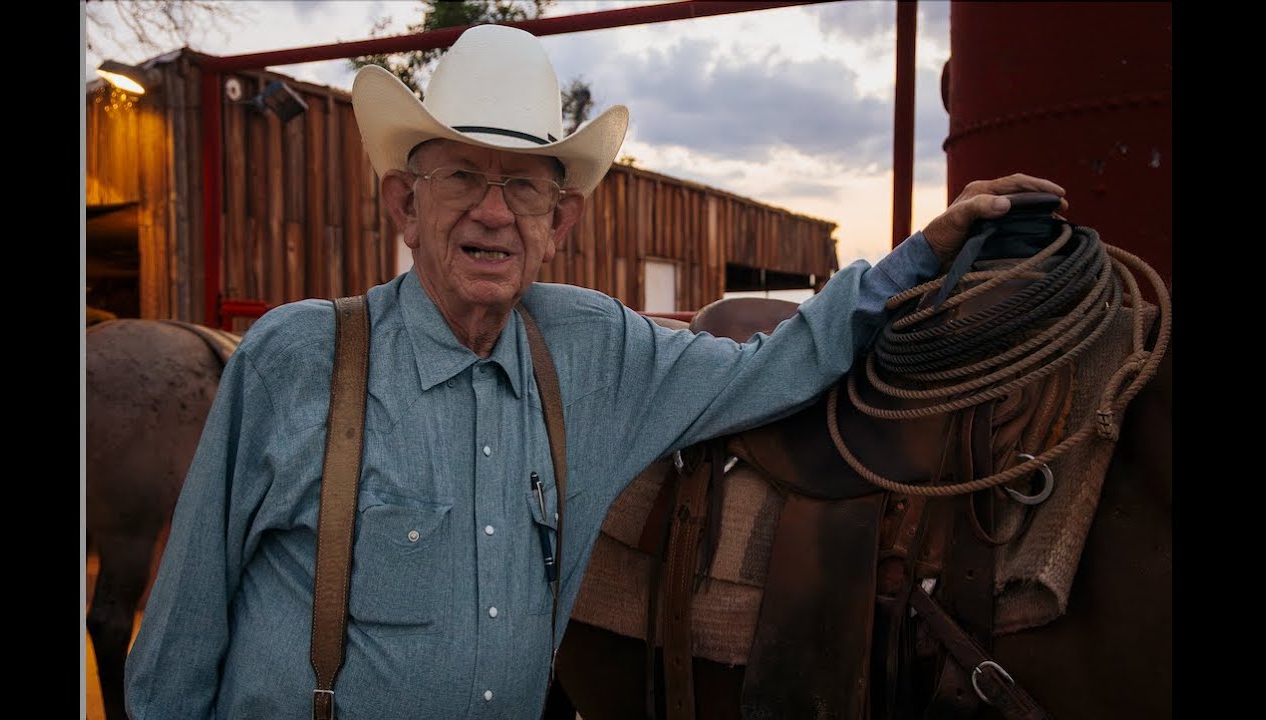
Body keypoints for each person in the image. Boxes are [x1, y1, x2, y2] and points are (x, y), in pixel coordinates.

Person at [124, 23, 1067, 719]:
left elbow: (776, 365)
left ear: (558, 223)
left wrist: (918, 258)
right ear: (405, 204)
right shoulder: (298, 358)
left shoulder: (593, 351)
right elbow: (177, 644)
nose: (493, 212)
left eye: (523, 186)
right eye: (461, 176)